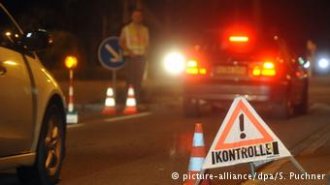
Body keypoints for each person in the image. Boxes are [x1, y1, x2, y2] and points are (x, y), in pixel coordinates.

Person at [120, 9, 149, 109]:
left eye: (139, 16)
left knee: (139, 81)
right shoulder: (126, 29)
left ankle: (137, 101)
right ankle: (127, 101)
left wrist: (146, 55)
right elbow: (121, 43)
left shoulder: (145, 30)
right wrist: (129, 52)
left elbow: (147, 44)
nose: (137, 18)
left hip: (141, 57)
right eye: (135, 16)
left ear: (141, 18)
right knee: (130, 80)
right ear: (132, 17)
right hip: (130, 58)